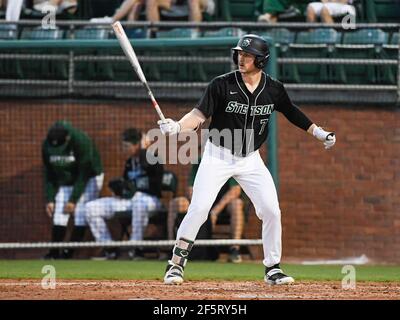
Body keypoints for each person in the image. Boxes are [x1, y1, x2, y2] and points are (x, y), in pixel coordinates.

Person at [158, 34, 336, 285]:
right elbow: (198, 115)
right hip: (217, 155)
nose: (241, 58)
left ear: (261, 60)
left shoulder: (273, 89)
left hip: (250, 159)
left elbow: (292, 112)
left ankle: (273, 268)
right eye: (240, 54)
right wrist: (177, 127)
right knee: (198, 208)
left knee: (272, 211)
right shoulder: (221, 84)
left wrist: (319, 133)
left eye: (248, 55)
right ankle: (175, 265)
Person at [85, 128, 164, 260]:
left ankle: (136, 248)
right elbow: (127, 184)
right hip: (130, 201)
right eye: (123, 145)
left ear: (137, 144)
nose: (124, 149)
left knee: (139, 201)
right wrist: (119, 189)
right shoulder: (129, 163)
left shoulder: (152, 158)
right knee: (91, 208)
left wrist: (143, 149)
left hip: (150, 200)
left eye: (127, 146)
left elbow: (151, 175)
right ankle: (109, 249)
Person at [42, 120, 104, 259]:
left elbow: (84, 173)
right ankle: (54, 253)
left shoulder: (81, 141)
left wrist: (73, 199)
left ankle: (69, 254)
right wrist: (50, 199)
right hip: (67, 181)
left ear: (68, 138)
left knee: (81, 215)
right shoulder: (47, 144)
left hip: (89, 178)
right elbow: (49, 173)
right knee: (59, 215)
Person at [168, 157, 244, 263]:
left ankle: (234, 249)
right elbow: (190, 189)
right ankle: (172, 246)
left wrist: (215, 211)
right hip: (204, 204)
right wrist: (201, 208)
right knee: (179, 202)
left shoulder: (228, 161)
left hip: (222, 206)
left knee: (237, 203)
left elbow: (236, 190)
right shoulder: (199, 162)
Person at [90, 0, 215, 25]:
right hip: (174, 5)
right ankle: (112, 20)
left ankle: (193, 33)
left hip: (201, 4)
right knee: (150, 1)